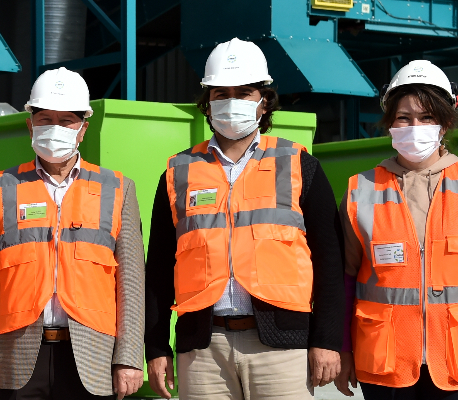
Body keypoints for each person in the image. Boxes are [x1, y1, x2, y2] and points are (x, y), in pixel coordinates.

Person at [144, 38, 345, 399]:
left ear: (264, 101)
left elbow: (331, 261)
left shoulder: (299, 164)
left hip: (283, 348)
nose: (232, 102)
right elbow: (157, 270)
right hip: (202, 349)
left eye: (244, 92)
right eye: (221, 93)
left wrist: (327, 339)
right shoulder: (178, 173)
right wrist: (157, 347)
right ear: (207, 102)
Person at [0, 67, 145, 400]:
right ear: (30, 124)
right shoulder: (1, 186)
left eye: (66, 121)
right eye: (45, 119)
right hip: (16, 354)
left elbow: (131, 285)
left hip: (93, 356)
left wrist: (130, 357)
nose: (54, 128)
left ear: (83, 129)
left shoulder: (118, 189)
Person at [335, 60, 458, 400]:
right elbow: (345, 279)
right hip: (385, 363)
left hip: (452, 364)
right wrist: (343, 350)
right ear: (390, 124)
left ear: (444, 124)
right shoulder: (361, 189)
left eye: (427, 117)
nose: (415, 127)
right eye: (404, 118)